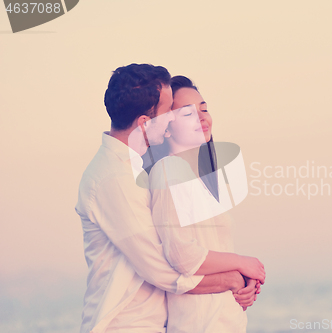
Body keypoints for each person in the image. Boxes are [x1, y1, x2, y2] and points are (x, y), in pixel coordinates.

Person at [75, 64, 258, 333]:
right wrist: (232, 277)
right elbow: (162, 267)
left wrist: (239, 277)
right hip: (124, 325)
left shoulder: (136, 171)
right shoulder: (114, 178)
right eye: (169, 112)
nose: (172, 119)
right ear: (144, 123)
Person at [147, 76, 265, 332]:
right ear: (166, 127)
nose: (202, 118)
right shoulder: (168, 171)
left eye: (203, 109)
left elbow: (213, 250)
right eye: (187, 113)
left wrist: (244, 283)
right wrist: (240, 263)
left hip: (227, 322)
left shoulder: (201, 178)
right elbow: (181, 255)